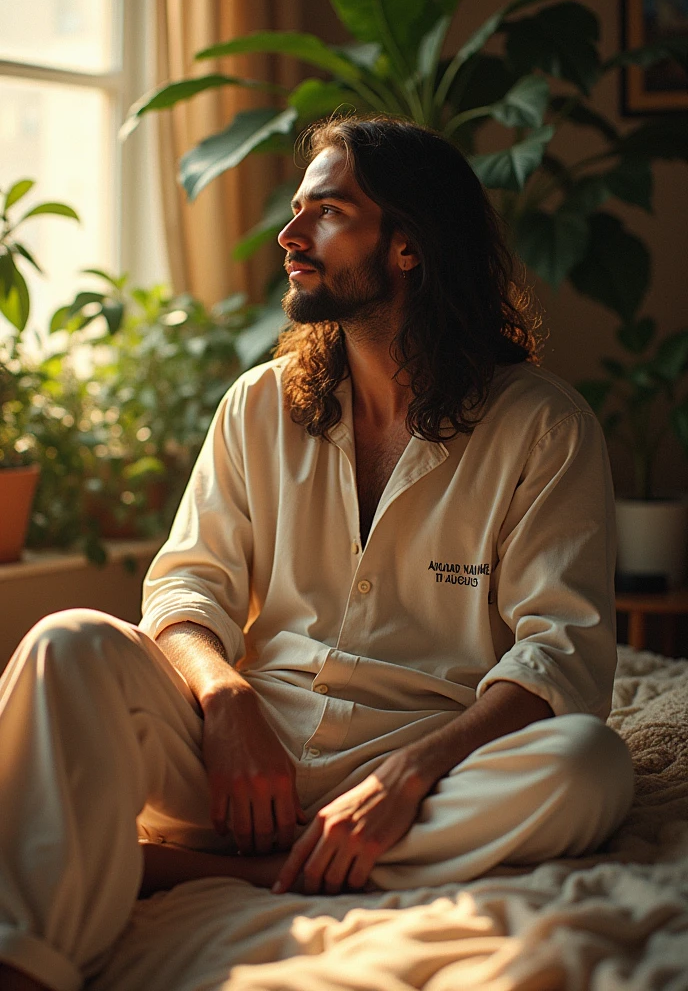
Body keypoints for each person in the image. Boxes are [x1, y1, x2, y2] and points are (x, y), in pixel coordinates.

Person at [0, 116, 635, 991]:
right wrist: (225, 703)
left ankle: (229, 868)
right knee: (63, 641)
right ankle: (27, 961)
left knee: (587, 766)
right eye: (296, 211)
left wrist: (408, 777)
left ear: (408, 246)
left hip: (418, 775)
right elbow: (187, 586)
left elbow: (560, 652)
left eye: (326, 212)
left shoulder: (544, 427)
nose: (289, 236)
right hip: (238, 769)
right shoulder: (258, 404)